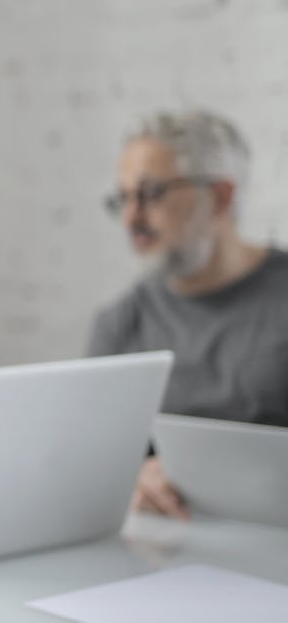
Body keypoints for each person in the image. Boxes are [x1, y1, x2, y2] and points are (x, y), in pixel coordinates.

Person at [88, 109, 288, 519]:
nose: (131, 218)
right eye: (123, 198)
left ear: (219, 197)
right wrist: (134, 479)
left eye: (150, 193)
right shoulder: (121, 322)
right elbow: (97, 463)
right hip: (164, 551)